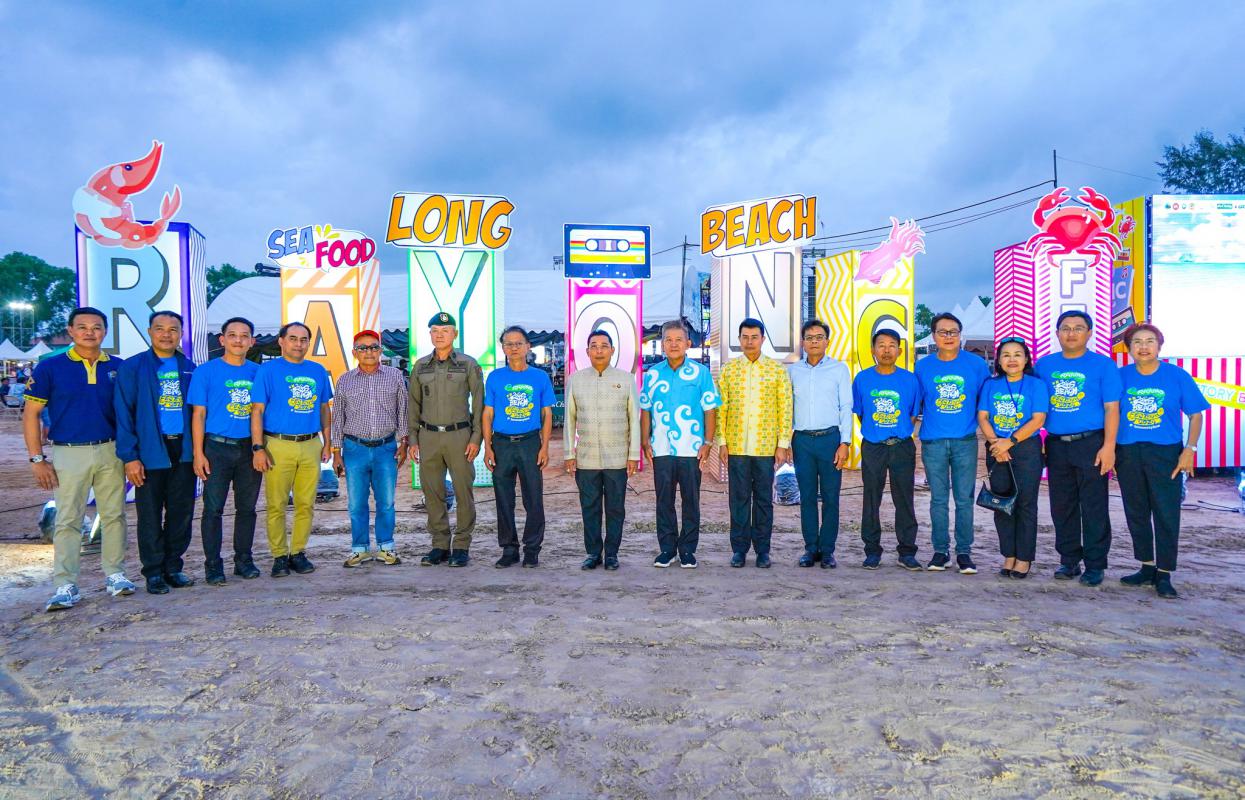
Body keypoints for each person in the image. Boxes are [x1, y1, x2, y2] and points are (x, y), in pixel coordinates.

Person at [25, 307, 135, 611]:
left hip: (111, 450)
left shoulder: (118, 367)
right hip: (68, 452)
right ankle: (65, 584)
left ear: (105, 332)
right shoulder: (50, 367)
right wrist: (37, 459)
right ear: (71, 331)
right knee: (68, 519)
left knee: (114, 515)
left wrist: (130, 454)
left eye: (96, 327)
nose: (90, 332)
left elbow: (128, 414)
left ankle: (115, 574)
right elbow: (31, 414)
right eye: (83, 327)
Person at [1115, 323, 1208, 599]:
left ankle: (1164, 572)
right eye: (1137, 342)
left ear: (1159, 346)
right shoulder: (1120, 376)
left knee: (1166, 512)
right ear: (1129, 348)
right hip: (1128, 452)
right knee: (1136, 510)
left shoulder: (1176, 376)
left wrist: (1190, 449)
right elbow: (1109, 412)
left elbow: (1196, 415)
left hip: (1165, 452)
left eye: (1149, 341)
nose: (1143, 347)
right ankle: (1146, 566)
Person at [1035, 310, 1122, 587]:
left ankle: (1095, 564)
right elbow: (1034, 405)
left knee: (1094, 506)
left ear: (1089, 333)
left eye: (1078, 328)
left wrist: (1109, 446)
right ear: (1057, 333)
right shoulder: (1044, 365)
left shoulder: (1103, 365)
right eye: (1066, 328)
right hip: (1056, 444)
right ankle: (1069, 559)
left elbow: (1112, 408)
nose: (1071, 333)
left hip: (1091, 443)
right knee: (1062, 505)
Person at [114, 310, 197, 594]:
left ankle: (173, 567)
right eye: (160, 328)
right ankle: (153, 572)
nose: (166, 334)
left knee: (181, 512)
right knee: (149, 514)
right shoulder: (133, 367)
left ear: (181, 334)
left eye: (173, 329)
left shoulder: (189, 368)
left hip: (183, 449)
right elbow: (123, 414)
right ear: (150, 332)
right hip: (150, 450)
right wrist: (130, 457)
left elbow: (199, 413)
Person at [251, 322, 333, 577]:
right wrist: (258, 447)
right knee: (276, 504)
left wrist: (327, 442)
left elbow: (324, 408)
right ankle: (279, 556)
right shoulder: (267, 371)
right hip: (277, 444)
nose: (299, 344)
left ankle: (298, 552)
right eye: (293, 338)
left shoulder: (317, 371)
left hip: (310, 444)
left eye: (304, 339)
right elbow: (257, 410)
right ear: (281, 341)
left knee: (305, 504)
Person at [639, 320, 720, 569]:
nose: (673, 344)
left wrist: (708, 442)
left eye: (678, 340)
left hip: (691, 449)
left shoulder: (701, 373)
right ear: (662, 344)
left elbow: (710, 409)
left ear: (688, 343)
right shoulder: (653, 374)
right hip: (661, 448)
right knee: (663, 500)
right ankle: (667, 549)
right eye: (668, 340)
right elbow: (645, 410)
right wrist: (645, 441)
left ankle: (687, 550)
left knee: (690, 500)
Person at [188, 317, 262, 585]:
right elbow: (198, 415)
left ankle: (244, 560)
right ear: (222, 339)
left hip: (248, 449)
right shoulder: (205, 372)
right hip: (217, 448)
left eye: (244, 335)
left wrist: (260, 448)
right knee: (213, 509)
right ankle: (213, 565)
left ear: (252, 341)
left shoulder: (258, 373)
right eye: (232, 335)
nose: (238, 340)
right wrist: (198, 453)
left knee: (247, 508)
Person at [408, 312, 484, 567]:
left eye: (445, 330)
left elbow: (479, 404)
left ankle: (461, 546)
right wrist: (413, 439)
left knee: (463, 492)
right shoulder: (421, 366)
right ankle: (439, 545)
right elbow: (413, 405)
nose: (439, 335)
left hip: (459, 436)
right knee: (433, 493)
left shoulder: (468, 364)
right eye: (435, 331)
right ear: (430, 334)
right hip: (428, 436)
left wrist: (476, 438)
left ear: (455, 334)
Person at [715, 318, 792, 568]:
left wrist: (782, 444)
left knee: (763, 500)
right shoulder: (729, 370)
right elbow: (721, 408)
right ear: (739, 340)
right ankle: (739, 550)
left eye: (754, 337)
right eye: (745, 337)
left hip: (765, 446)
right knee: (738, 500)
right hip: (736, 446)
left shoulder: (776, 370)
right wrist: (722, 442)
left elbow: (785, 408)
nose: (749, 342)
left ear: (763, 339)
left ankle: (762, 551)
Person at [916, 312, 989, 574]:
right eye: (942, 332)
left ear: (960, 335)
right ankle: (940, 551)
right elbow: (916, 402)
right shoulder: (922, 367)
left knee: (964, 499)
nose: (948, 337)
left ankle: (964, 552)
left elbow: (986, 400)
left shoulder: (976, 365)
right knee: (938, 499)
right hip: (933, 442)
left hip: (965, 441)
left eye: (953, 332)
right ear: (933, 335)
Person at [564, 330, 640, 571]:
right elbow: (569, 419)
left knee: (616, 509)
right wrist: (569, 453)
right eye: (594, 346)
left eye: (604, 346)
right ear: (587, 351)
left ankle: (612, 554)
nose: (599, 350)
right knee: (590, 508)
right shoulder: (576, 380)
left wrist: (633, 455)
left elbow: (634, 419)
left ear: (612, 350)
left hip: (617, 458)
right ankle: (593, 553)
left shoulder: (626, 379)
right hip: (586, 458)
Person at [331, 330, 409, 568]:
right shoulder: (345, 380)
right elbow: (338, 417)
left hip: (386, 448)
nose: (369, 352)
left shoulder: (395, 376)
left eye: (373, 347)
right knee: (356, 503)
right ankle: (360, 549)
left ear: (380, 351)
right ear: (354, 352)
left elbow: (403, 411)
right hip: (354, 449)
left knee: (386, 502)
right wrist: (336, 452)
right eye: (363, 348)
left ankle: (386, 547)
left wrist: (404, 443)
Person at [976, 336, 1048, 579]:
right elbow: (983, 417)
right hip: (997, 449)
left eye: (1018, 354)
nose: (1012, 359)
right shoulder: (991, 385)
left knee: (1026, 504)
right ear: (999, 360)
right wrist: (996, 444)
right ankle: (1008, 555)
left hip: (1026, 449)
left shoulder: (1036, 385)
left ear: (1026, 359)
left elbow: (1038, 419)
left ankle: (1024, 558)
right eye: (1006, 355)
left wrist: (1011, 441)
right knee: (1002, 504)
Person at [484, 326, 555, 568]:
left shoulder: (539, 377)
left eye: (518, 343)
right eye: (508, 344)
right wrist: (488, 447)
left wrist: (545, 447)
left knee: (533, 498)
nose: (513, 348)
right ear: (503, 348)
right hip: (502, 443)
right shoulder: (495, 377)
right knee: (504, 499)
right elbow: (487, 414)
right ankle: (509, 548)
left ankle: (532, 549)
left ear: (528, 346)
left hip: (530, 443)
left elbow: (547, 414)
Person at [852, 328, 922, 571]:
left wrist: (897, 431)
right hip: (874, 447)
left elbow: (913, 414)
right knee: (871, 499)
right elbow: (861, 413)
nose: (886, 350)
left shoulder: (910, 380)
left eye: (892, 345)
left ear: (899, 351)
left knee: (904, 499)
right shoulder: (862, 379)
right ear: (872, 350)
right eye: (881, 345)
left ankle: (907, 552)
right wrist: (877, 433)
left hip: (902, 446)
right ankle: (872, 551)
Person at [786, 319, 852, 570]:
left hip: (830, 440)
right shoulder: (792, 371)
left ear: (827, 341)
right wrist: (786, 441)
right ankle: (810, 548)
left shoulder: (839, 369)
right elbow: (787, 409)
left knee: (831, 497)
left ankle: (828, 550)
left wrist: (845, 442)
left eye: (819, 337)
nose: (814, 342)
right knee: (807, 497)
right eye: (809, 337)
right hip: (802, 441)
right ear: (802, 342)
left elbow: (846, 407)